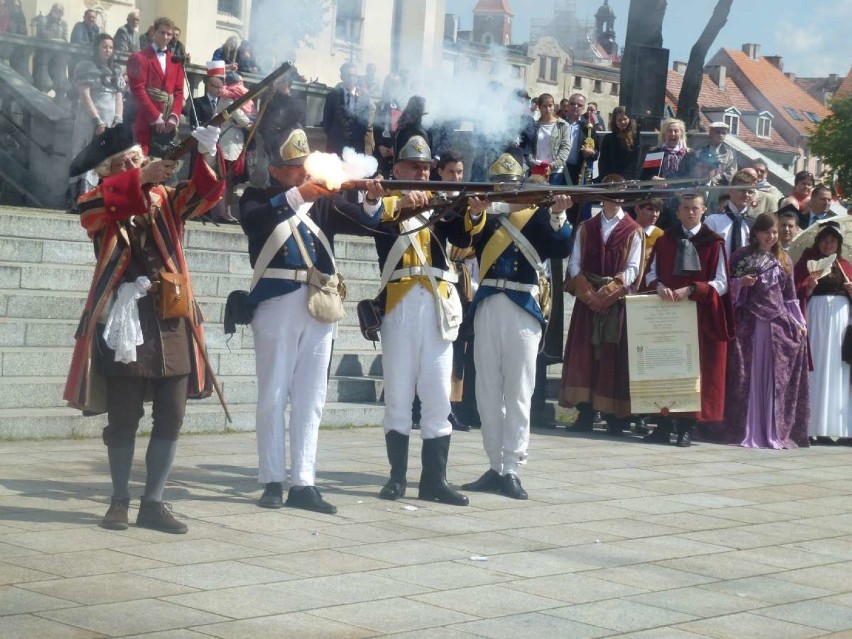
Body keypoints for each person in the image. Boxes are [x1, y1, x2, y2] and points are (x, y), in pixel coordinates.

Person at [63, 123, 224, 534]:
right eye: (125, 162)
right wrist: (141, 177)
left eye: (138, 158)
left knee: (172, 415)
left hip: (170, 316)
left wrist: (205, 155)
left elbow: (204, 196)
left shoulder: (165, 199)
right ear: (109, 171)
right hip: (123, 320)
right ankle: (120, 499)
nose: (136, 164)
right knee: (123, 417)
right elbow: (100, 209)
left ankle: (153, 502)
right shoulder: (95, 199)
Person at [240, 128, 385, 514]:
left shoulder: (323, 202)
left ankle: (303, 481)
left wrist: (371, 199)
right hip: (275, 301)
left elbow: (366, 223)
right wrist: (296, 196)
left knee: (311, 398)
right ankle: (272, 479)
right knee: (273, 395)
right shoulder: (257, 198)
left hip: (319, 303)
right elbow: (255, 224)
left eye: (304, 167)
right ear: (275, 170)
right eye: (294, 168)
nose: (302, 173)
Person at [373, 122, 484, 506]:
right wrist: (401, 201)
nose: (421, 172)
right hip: (400, 304)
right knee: (398, 396)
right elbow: (375, 219)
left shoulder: (443, 201)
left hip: (438, 303)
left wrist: (473, 212)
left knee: (437, 396)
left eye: (425, 167)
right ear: (398, 170)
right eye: (413, 167)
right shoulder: (385, 198)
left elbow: (462, 237)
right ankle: (397, 478)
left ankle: (434, 480)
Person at [462, 150, 573, 500]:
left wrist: (558, 215)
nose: (506, 188)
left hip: (523, 306)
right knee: (487, 391)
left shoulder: (537, 216)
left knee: (520, 392)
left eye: (511, 183)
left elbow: (560, 246)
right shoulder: (483, 216)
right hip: (488, 303)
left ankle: (512, 467)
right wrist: (478, 210)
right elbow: (463, 240)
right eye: (500, 183)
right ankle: (494, 464)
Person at [697, 213, 809, 448]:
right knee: (744, 376)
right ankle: (745, 427)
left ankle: (772, 428)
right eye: (767, 232)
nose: (772, 236)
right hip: (748, 323)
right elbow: (727, 290)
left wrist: (799, 322)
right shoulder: (740, 256)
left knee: (773, 376)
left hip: (776, 325)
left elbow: (790, 298)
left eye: (775, 232)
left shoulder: (784, 259)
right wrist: (741, 283)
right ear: (756, 233)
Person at [643, 193, 735, 446]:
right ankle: (661, 424)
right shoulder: (666, 239)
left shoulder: (713, 243)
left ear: (704, 210)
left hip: (698, 315)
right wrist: (658, 286)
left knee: (694, 372)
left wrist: (693, 290)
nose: (690, 212)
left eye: (695, 208)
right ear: (679, 211)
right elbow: (651, 272)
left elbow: (722, 283)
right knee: (665, 369)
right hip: (668, 315)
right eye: (686, 208)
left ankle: (685, 427)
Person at [560, 175, 645, 436]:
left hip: (615, 304)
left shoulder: (633, 230)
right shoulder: (586, 227)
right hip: (588, 302)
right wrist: (589, 294)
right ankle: (585, 414)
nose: (616, 196)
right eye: (611, 191)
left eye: (621, 192)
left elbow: (633, 269)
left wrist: (607, 294)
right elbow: (574, 264)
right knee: (585, 357)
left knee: (612, 358)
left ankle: (613, 418)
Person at [794, 222, 852, 443]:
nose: (829, 244)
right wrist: (808, 287)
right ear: (818, 243)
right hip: (817, 318)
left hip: (840, 321)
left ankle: (839, 427)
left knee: (838, 369)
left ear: (838, 244)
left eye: (833, 241)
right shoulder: (807, 263)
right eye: (825, 240)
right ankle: (813, 426)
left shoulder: (845, 265)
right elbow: (795, 291)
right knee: (816, 366)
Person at [186, 62, 246, 223]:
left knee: (217, 180)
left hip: (220, 147)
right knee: (198, 177)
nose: (219, 90)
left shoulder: (225, 102)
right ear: (208, 85)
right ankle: (195, 210)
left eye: (221, 87)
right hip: (203, 146)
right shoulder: (198, 102)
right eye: (215, 86)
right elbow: (195, 125)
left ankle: (214, 211)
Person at [69, 34, 124, 203]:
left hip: (110, 119)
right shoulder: (86, 67)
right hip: (91, 118)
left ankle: (102, 199)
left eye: (110, 47)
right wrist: (96, 120)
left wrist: (118, 118)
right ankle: (82, 198)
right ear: (97, 48)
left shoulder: (116, 70)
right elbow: (85, 95)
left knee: (108, 158)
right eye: (104, 47)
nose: (107, 50)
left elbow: (118, 96)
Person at [126, 17, 184, 155]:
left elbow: (179, 92)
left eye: (169, 34)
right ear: (153, 32)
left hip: (168, 124)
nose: (166, 37)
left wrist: (174, 115)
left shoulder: (176, 61)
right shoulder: (138, 57)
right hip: (145, 120)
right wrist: (154, 116)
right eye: (162, 32)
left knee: (164, 166)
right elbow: (137, 90)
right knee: (142, 163)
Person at [704, 170, 759, 259]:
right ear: (730, 190)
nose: (746, 194)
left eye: (750, 191)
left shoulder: (753, 224)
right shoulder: (713, 221)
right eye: (742, 190)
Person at [322, 62, 370, 156]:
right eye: (348, 75)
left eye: (354, 76)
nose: (351, 78)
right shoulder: (332, 97)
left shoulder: (364, 98)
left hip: (356, 147)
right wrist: (336, 137)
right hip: (336, 147)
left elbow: (365, 124)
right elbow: (327, 123)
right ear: (341, 77)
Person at [523, 93, 569, 185]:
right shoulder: (533, 126)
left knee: (553, 198)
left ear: (554, 106)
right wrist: (532, 164)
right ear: (539, 107)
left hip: (555, 172)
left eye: (550, 106)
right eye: (544, 106)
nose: (548, 109)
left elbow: (565, 148)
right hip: (536, 171)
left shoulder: (563, 125)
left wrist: (553, 166)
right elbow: (527, 148)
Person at [597, 106, 640, 180]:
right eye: (619, 120)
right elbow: (603, 161)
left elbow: (635, 162)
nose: (622, 122)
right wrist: (609, 178)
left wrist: (623, 178)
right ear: (615, 121)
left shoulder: (635, 138)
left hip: (628, 180)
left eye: (625, 119)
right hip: (610, 180)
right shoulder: (608, 138)